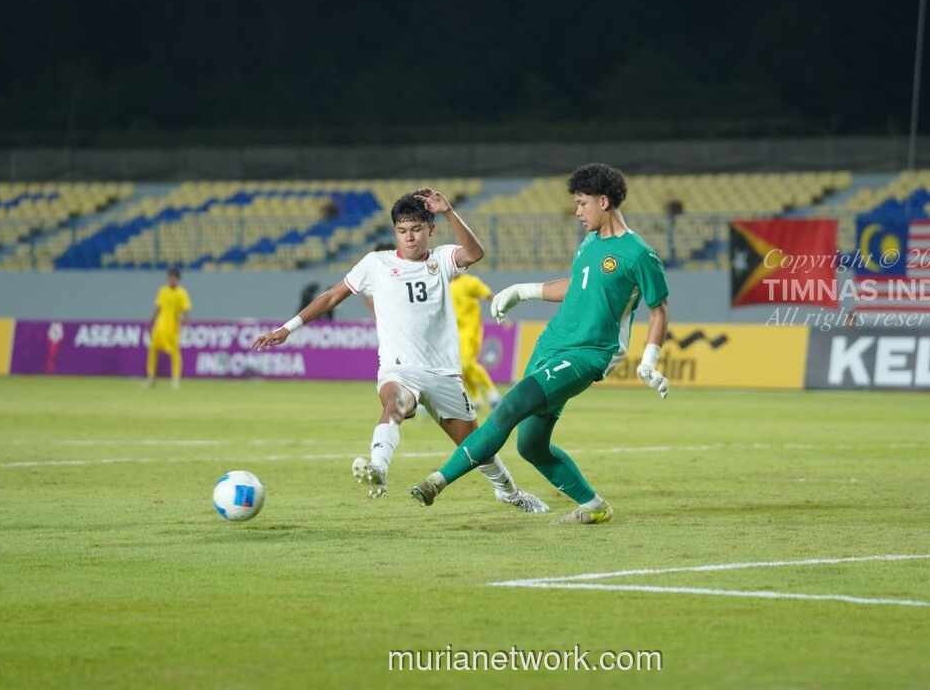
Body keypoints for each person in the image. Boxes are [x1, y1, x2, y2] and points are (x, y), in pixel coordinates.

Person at [251, 189, 547, 514]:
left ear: (430, 230)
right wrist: (287, 328)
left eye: (417, 229)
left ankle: (509, 492)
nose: (410, 237)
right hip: (398, 368)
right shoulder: (375, 264)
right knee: (396, 403)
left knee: (477, 447)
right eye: (403, 230)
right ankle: (378, 467)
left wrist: (448, 211)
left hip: (443, 373)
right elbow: (332, 297)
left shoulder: (441, 259)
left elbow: (475, 253)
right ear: (394, 232)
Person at [409, 164, 671, 524]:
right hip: (551, 346)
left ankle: (436, 482)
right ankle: (595, 506)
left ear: (604, 201)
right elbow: (579, 286)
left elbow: (659, 310)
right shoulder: (591, 243)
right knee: (530, 445)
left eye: (582, 204)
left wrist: (650, 360)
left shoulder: (639, 254)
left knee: (510, 406)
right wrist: (524, 291)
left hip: (588, 355)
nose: (577, 212)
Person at [450, 273, 502, 411]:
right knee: (461, 368)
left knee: (467, 364)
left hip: (471, 330)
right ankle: (475, 398)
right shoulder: (447, 284)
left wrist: (501, 309)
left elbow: (488, 295)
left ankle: (492, 393)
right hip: (456, 333)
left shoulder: (470, 282)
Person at [146, 267, 192, 389]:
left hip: (173, 328)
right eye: (169, 278)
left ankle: (175, 379)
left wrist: (186, 324)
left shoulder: (182, 293)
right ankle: (151, 378)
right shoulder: (163, 291)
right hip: (160, 326)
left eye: (173, 278)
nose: (171, 280)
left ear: (178, 279)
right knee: (153, 349)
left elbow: (186, 310)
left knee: (175, 353)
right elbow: (158, 307)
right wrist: (151, 321)